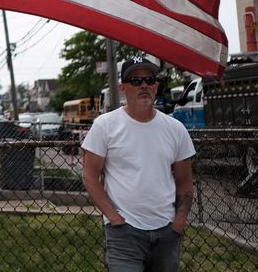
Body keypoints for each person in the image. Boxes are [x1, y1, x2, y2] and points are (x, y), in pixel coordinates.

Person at [81, 56, 195, 272]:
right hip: (124, 232)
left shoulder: (176, 129)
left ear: (156, 86)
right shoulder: (105, 126)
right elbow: (89, 176)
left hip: (167, 232)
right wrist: (114, 218)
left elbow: (185, 183)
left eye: (149, 80)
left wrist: (179, 223)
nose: (143, 85)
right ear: (122, 88)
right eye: (135, 81)